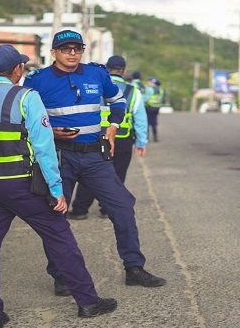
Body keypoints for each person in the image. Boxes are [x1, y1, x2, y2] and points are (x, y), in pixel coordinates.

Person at [0, 44, 117, 328]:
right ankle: (87, 302)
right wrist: (56, 188)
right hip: (23, 185)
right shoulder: (26, 97)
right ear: (17, 69)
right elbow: (43, 146)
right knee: (60, 238)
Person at [23, 29, 166, 294]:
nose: (72, 54)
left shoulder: (96, 74)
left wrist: (113, 125)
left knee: (123, 206)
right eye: (66, 49)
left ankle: (134, 268)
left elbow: (118, 100)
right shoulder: (38, 81)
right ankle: (61, 276)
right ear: (53, 52)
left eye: (77, 49)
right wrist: (49, 131)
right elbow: (23, 116)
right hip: (58, 156)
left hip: (94, 156)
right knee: (56, 213)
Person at [70, 55, 149, 220]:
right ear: (124, 71)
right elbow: (140, 120)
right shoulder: (133, 91)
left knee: (89, 173)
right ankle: (107, 209)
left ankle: (80, 210)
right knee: (117, 175)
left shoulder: (93, 87)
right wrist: (141, 142)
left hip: (94, 137)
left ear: (106, 69)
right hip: (122, 139)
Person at [144, 77, 164, 142]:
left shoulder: (149, 89)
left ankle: (147, 138)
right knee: (154, 123)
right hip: (156, 107)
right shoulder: (160, 90)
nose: (148, 83)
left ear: (152, 82)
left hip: (149, 107)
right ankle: (155, 137)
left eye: (149, 81)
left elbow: (145, 99)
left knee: (147, 123)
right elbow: (161, 99)